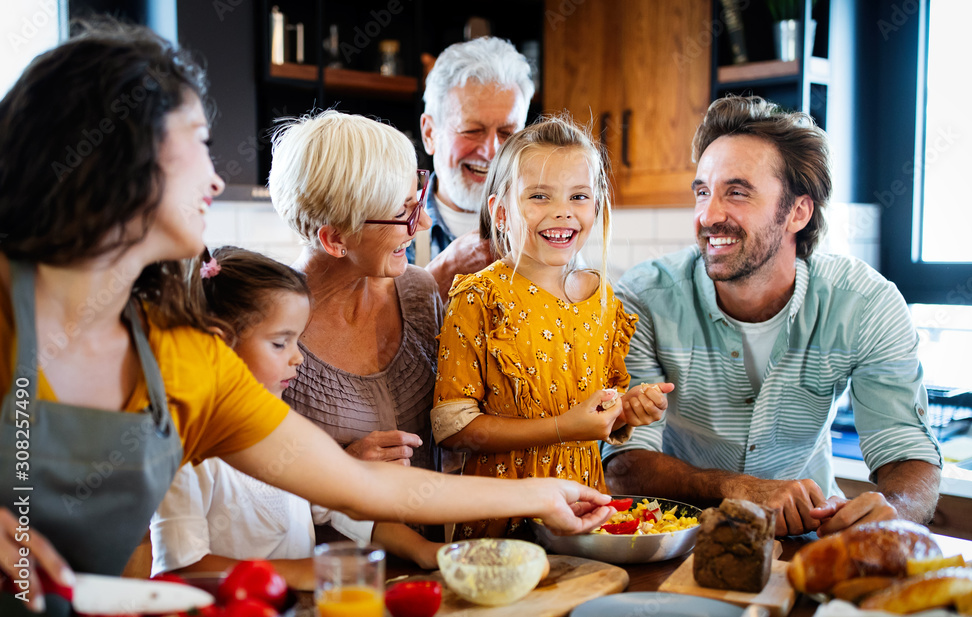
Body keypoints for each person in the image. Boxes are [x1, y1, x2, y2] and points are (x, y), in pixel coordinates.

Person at [0, 22, 614, 616]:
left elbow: (357, 486)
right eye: (194, 143)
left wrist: (541, 494)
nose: (215, 179)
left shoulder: (182, 354)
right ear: (115, 160)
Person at [603, 95, 942, 538]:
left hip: (809, 540)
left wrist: (894, 514)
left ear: (798, 212)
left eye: (737, 192)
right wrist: (738, 489)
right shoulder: (643, 299)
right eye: (702, 191)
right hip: (680, 540)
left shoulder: (866, 304)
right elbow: (624, 465)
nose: (708, 215)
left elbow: (906, 450)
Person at [431, 117, 674, 539]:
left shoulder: (602, 300)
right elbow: (453, 429)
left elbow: (599, 413)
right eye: (539, 196)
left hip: (586, 510)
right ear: (501, 212)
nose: (563, 211)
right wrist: (565, 427)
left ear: (595, 207)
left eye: (578, 196)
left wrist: (627, 410)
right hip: (503, 519)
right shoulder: (478, 298)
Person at [150, 247, 441, 590]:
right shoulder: (186, 449)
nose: (298, 359)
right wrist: (309, 571)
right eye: (279, 343)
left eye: (297, 341)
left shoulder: (282, 423)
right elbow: (182, 567)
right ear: (220, 343)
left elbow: (337, 504)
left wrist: (424, 550)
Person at [272, 111, 443, 497]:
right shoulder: (266, 328)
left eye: (415, 202)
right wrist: (339, 471)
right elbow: (235, 485)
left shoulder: (420, 293)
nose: (424, 223)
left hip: (434, 555)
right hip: (329, 557)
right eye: (402, 214)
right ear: (335, 240)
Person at [413, 37, 534, 299]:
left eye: (507, 132)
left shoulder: (547, 224)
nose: (491, 151)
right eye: (472, 130)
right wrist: (439, 276)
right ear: (429, 133)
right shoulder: (391, 226)